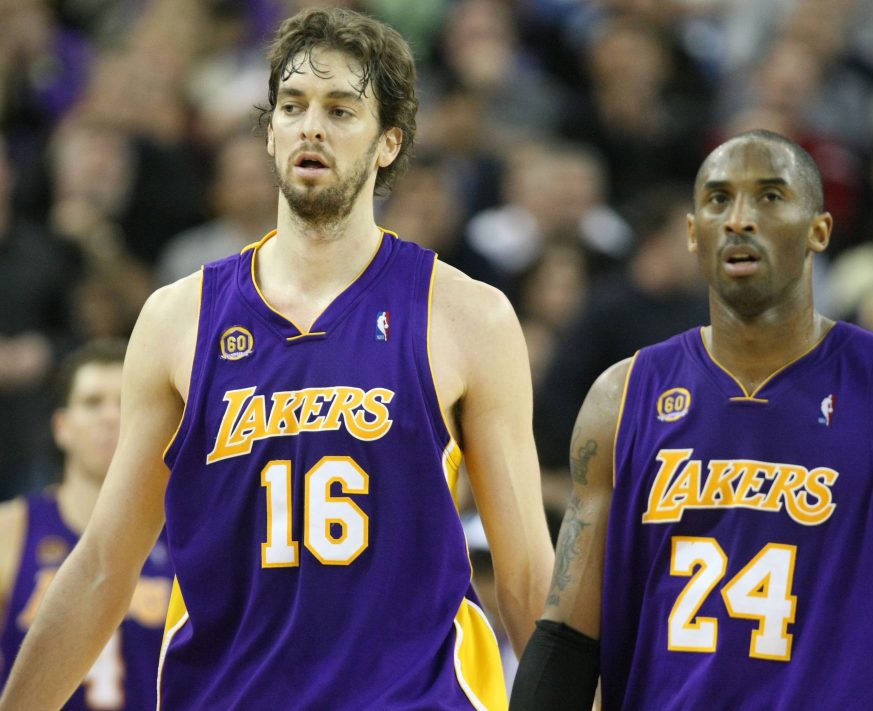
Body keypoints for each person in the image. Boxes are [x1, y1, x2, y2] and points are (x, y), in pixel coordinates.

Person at [0, 8, 552, 710]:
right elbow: (106, 562)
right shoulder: (179, 319)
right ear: (268, 133)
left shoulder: (468, 316)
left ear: (389, 142)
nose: (310, 126)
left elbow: (529, 577)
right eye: (292, 107)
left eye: (341, 109)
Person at [510, 129, 873, 710]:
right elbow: (568, 640)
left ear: (819, 231)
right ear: (691, 232)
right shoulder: (621, 398)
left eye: (770, 196)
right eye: (718, 199)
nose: (739, 219)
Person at [0, 339, 174, 709]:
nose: (111, 417)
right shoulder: (11, 529)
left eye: (125, 404)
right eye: (93, 402)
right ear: (62, 427)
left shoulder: (188, 532)